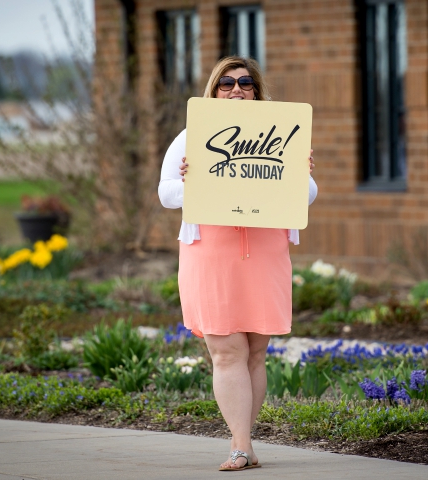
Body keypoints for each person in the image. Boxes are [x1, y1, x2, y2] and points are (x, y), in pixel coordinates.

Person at [158, 56, 317, 471]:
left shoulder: (280, 133)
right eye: (226, 83)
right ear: (213, 90)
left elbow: (307, 194)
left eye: (245, 83)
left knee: (255, 352)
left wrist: (303, 173)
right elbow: (166, 193)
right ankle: (242, 447)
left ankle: (241, 443)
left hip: (263, 247)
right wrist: (192, 181)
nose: (236, 90)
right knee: (225, 348)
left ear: (256, 90)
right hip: (211, 248)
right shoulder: (192, 135)